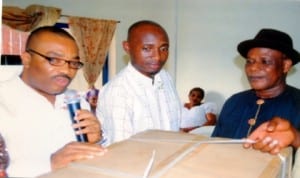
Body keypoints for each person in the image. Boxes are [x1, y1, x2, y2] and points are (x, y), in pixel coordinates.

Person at [0, 26, 106, 177]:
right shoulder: (3, 100)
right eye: (55, 60)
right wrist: (50, 164)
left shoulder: (77, 101)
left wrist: (95, 142)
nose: (67, 70)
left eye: (73, 63)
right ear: (26, 59)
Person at [211, 28, 300, 154]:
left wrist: (295, 137)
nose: (253, 68)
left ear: (285, 65)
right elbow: (214, 146)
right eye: (249, 61)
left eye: (265, 61)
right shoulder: (234, 101)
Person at [96, 20, 182, 146]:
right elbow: (121, 150)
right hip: (138, 164)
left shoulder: (165, 77)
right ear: (127, 47)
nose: (158, 57)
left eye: (163, 48)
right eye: (147, 49)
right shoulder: (118, 91)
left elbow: (174, 128)